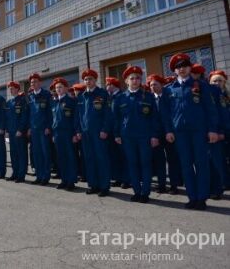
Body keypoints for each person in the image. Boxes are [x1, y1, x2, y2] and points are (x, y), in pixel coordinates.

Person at [162, 53, 218, 210]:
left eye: (185, 66)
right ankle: (192, 197)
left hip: (199, 131)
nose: (182, 69)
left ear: (189, 67)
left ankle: (201, 198)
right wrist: (168, 131)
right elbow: (165, 114)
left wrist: (212, 130)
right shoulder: (168, 90)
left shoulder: (200, 86)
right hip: (180, 133)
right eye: (178, 67)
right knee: (186, 166)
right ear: (175, 71)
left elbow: (210, 109)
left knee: (201, 165)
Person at [113, 66, 160, 203]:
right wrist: (116, 134)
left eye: (138, 78)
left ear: (141, 80)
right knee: (132, 164)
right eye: (131, 78)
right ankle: (136, 192)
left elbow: (154, 118)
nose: (135, 80)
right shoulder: (120, 98)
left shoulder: (148, 96)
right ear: (127, 81)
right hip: (127, 137)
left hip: (144, 136)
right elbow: (116, 118)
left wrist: (155, 135)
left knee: (145, 164)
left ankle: (145, 193)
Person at [75, 69, 112, 197]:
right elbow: (78, 116)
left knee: (101, 159)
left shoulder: (102, 94)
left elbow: (108, 114)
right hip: (85, 134)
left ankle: (104, 186)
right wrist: (78, 131)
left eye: (90, 79)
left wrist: (105, 129)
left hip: (99, 133)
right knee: (89, 159)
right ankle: (93, 185)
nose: (88, 81)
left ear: (95, 80)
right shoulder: (81, 96)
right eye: (85, 79)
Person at [51, 77, 78, 190]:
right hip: (57, 134)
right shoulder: (55, 102)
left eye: (60, 87)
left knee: (70, 157)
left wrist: (75, 134)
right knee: (61, 158)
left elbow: (75, 119)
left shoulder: (71, 101)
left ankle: (71, 181)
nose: (58, 89)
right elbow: (54, 119)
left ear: (66, 88)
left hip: (68, 134)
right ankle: (64, 180)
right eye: (57, 88)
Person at [27, 73, 53, 185]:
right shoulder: (30, 96)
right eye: (32, 82)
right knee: (36, 153)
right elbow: (29, 114)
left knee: (45, 153)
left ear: (40, 83)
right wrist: (29, 128)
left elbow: (50, 113)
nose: (33, 84)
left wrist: (48, 126)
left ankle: (45, 177)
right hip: (34, 129)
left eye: (35, 82)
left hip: (44, 129)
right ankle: (39, 175)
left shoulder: (47, 94)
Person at [208, 70, 229, 200]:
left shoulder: (227, 95)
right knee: (218, 160)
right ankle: (220, 185)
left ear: (224, 82)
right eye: (214, 81)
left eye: (220, 80)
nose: (217, 83)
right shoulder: (210, 96)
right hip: (219, 133)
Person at [6, 81, 29, 183]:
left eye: (12, 88)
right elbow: (7, 117)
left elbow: (24, 117)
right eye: (9, 88)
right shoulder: (9, 102)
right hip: (11, 132)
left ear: (17, 89)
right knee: (13, 154)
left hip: (19, 132)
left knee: (21, 154)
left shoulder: (22, 101)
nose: (10, 90)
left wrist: (20, 130)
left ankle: (21, 175)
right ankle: (15, 173)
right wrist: (7, 130)